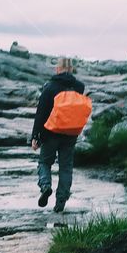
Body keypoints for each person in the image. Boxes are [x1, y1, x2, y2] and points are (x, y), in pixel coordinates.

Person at [31, 57, 85, 212]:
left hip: (50, 133)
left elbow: (41, 113)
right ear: (72, 70)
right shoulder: (79, 87)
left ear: (57, 69)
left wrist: (35, 136)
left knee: (44, 163)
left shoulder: (50, 87)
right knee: (66, 168)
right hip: (70, 133)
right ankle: (60, 201)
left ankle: (46, 186)